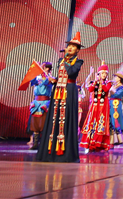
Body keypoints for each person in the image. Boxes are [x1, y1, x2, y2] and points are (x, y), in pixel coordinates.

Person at [36, 32, 84, 163]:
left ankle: (65, 153)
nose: (70, 48)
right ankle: (50, 152)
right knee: (54, 119)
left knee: (66, 118)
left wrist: (67, 59)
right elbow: (61, 76)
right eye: (69, 46)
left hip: (69, 91)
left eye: (73, 47)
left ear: (77, 50)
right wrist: (54, 80)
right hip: (58, 92)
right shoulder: (60, 60)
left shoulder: (78, 61)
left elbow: (71, 72)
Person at [80, 62, 112, 152]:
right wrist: (95, 81)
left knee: (101, 123)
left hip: (103, 106)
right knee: (92, 123)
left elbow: (106, 89)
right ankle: (90, 143)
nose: (104, 75)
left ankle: (100, 143)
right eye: (102, 73)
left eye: (105, 73)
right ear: (99, 74)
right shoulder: (95, 83)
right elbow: (90, 89)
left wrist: (101, 82)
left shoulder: (108, 83)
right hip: (94, 106)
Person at [27, 62, 54, 149]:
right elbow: (32, 80)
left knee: (44, 123)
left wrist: (43, 73)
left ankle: (44, 144)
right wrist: (34, 70)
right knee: (35, 124)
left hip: (45, 102)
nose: (41, 68)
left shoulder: (51, 78)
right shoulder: (38, 77)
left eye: (43, 67)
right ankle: (35, 144)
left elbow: (46, 82)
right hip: (36, 102)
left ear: (47, 68)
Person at [109, 72, 123, 146]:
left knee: (116, 119)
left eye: (116, 77)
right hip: (111, 104)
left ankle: (118, 139)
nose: (115, 78)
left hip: (116, 104)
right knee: (111, 119)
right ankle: (112, 139)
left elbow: (117, 94)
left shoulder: (122, 87)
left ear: (120, 79)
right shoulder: (114, 86)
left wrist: (111, 90)